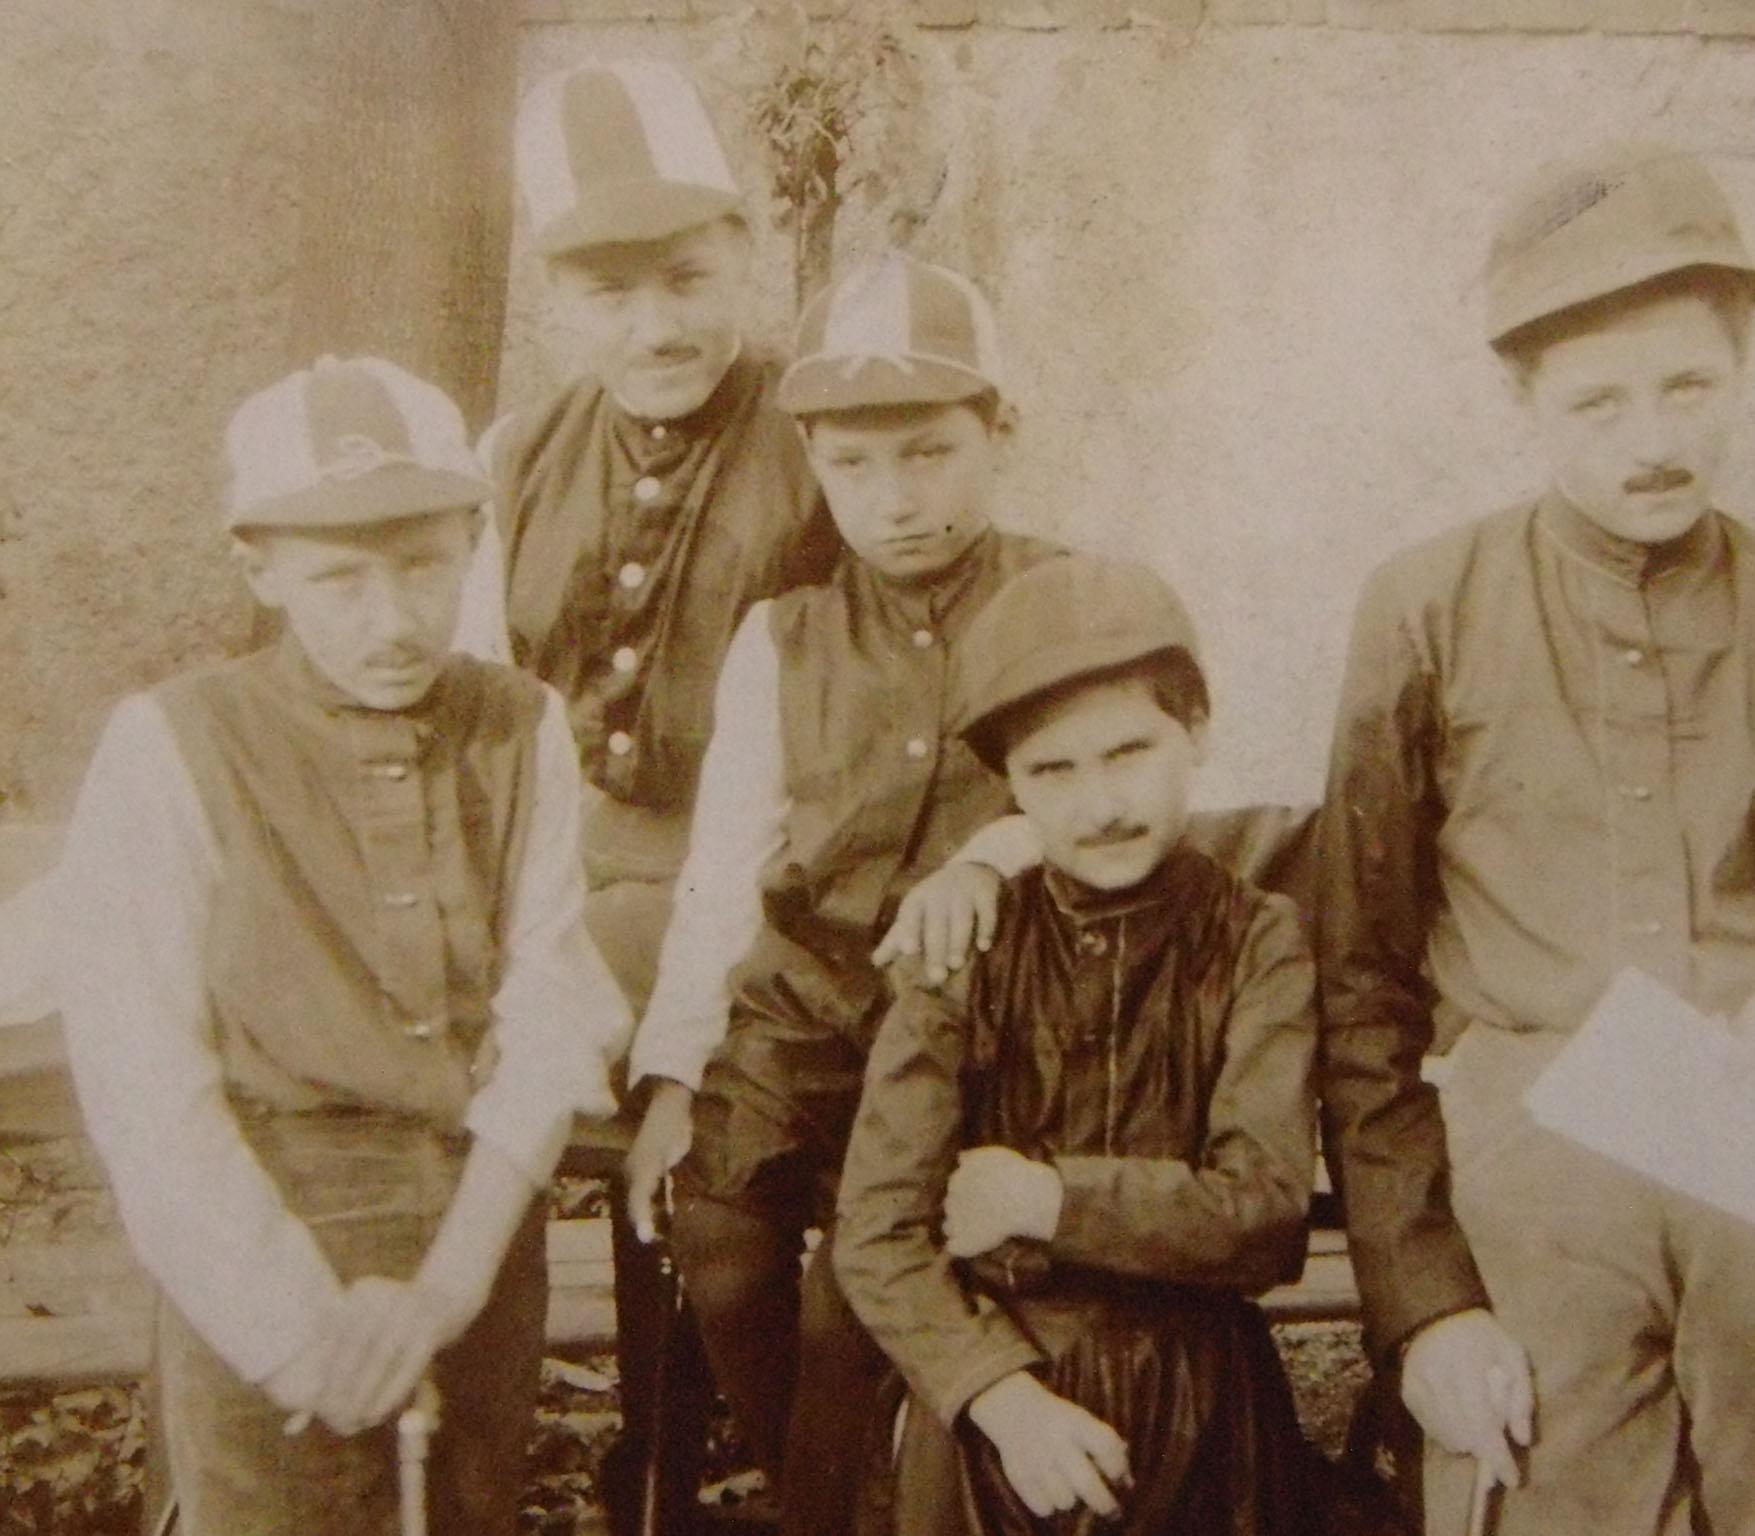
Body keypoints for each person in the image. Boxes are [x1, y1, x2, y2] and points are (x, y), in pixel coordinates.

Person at [1316, 141, 1755, 1535]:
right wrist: (1424, 1307)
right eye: (1598, 401)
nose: (1653, 440)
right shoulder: (1424, 614)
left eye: (1690, 385)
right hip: (1539, 1143)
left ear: (1742, 369)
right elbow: (1360, 991)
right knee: (1538, 1483)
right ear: (1521, 400)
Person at [51, 356, 630, 1535]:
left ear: (472, 540)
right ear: (257, 568)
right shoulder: (173, 744)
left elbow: (549, 1012)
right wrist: (299, 1335)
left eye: (423, 567)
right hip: (263, 1223)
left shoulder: (523, 725)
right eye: (340, 581)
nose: (394, 619)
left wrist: (451, 1286)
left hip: (476, 1220)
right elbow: (145, 1084)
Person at [456, 57, 843, 1530]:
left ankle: (788, 1465)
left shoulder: (825, 443)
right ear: (555, 306)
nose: (659, 326)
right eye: (609, 296)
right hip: (578, 887)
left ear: (745, 254)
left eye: (687, 276)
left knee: (719, 1181)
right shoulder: (515, 460)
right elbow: (487, 708)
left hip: (781, 888)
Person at [625, 253, 1065, 1535]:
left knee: (853, 1299)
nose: (896, 500)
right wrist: (669, 1077)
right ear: (812, 459)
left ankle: (843, 1509)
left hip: (976, 1014)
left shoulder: (1064, 600)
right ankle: (825, 1492)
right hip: (804, 1005)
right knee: (718, 1236)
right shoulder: (785, 635)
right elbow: (722, 867)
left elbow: (1123, 800)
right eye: (853, 466)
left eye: (929, 454)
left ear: (999, 433)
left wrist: (999, 850)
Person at [834, 554, 1318, 1536]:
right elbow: (877, 1228)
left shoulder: (1254, 939)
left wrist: (1047, 1199)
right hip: (994, 1384)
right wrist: (999, 1399)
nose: (1097, 805)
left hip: (1198, 1394)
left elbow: (1265, 1213)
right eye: (1051, 770)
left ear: (1196, 735)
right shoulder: (962, 944)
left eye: (1128, 753)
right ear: (1008, 786)